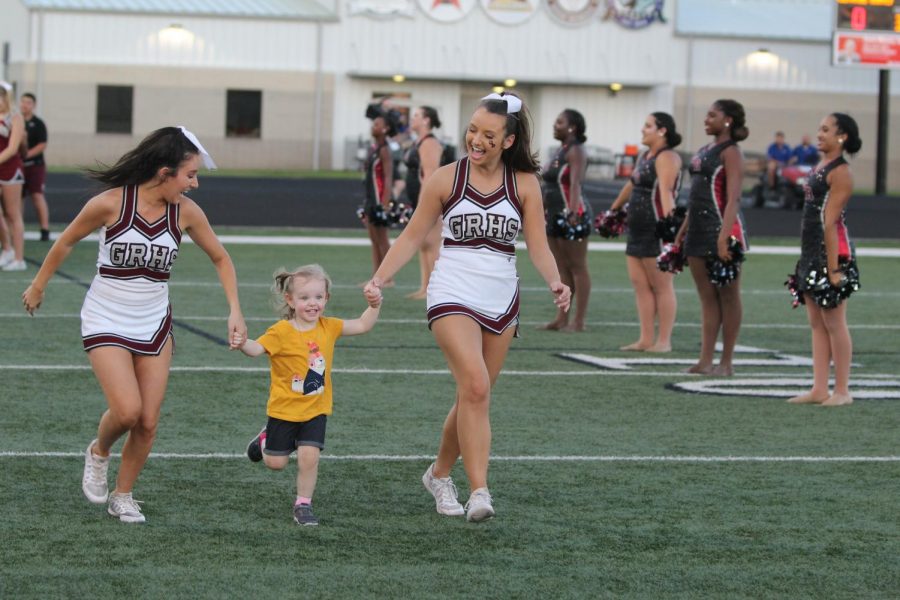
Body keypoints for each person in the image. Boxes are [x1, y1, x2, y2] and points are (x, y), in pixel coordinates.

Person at [362, 92, 571, 522]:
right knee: (475, 386)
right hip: (452, 288)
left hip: (501, 295)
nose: (476, 140)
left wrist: (555, 281)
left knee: (473, 395)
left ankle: (439, 474)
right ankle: (480, 491)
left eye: (488, 135)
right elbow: (412, 235)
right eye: (472, 130)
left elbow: (538, 245)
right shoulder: (446, 178)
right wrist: (380, 277)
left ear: (509, 141)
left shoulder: (525, 185)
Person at [21, 126, 247, 523]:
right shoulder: (110, 204)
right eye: (190, 174)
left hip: (154, 322)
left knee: (147, 421)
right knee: (126, 411)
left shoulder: (187, 213)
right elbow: (66, 241)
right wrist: (38, 286)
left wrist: (235, 310)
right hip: (106, 315)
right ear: (164, 171)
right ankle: (99, 452)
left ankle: (123, 495)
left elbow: (222, 258)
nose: (194, 184)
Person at [238, 264, 381, 526]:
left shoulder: (329, 326)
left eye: (318, 297)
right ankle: (264, 438)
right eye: (304, 298)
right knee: (275, 463)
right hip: (283, 410)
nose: (312, 303)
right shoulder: (281, 331)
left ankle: (303, 505)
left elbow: (362, 324)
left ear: (326, 298)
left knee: (309, 456)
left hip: (316, 409)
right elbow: (257, 349)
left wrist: (374, 305)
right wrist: (242, 343)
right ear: (290, 300)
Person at [787, 113, 861, 407]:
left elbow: (830, 223)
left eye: (826, 130)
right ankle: (819, 388)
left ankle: (842, 390)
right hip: (811, 250)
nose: (819, 134)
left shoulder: (841, 172)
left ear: (842, 137)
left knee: (834, 321)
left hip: (833, 251)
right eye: (819, 128)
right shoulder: (822, 165)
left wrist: (833, 268)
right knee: (816, 322)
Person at [676, 99, 749, 376]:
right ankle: (705, 359)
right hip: (697, 230)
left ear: (728, 120)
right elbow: (696, 195)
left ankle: (726, 362)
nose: (707, 119)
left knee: (728, 296)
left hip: (722, 229)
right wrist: (682, 230)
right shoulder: (705, 149)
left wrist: (724, 236)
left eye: (712, 115)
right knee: (707, 298)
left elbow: (734, 197)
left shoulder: (731, 152)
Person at [608, 112, 683, 352]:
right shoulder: (644, 156)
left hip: (656, 230)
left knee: (661, 286)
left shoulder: (667, 157)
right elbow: (631, 185)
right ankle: (645, 339)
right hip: (637, 229)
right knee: (640, 284)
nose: (643, 130)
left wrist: (670, 227)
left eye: (648, 126)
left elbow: (666, 191)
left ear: (662, 131)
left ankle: (664, 341)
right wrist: (614, 210)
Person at [540, 109, 591, 332]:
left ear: (573, 127)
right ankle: (561, 318)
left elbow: (576, 183)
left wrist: (572, 213)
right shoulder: (559, 151)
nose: (555, 125)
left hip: (571, 214)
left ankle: (578, 321)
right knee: (561, 268)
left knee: (577, 267)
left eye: (559, 122)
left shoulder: (576, 151)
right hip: (553, 215)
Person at [403, 105, 444, 299]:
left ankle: (435, 289)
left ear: (427, 120)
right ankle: (425, 287)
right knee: (423, 243)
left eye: (417, 116)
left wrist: (425, 205)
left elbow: (430, 174)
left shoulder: (429, 143)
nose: (413, 119)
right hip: (416, 199)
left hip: (429, 200)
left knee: (432, 243)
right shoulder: (417, 142)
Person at [361, 108, 396, 284]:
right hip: (370, 199)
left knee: (382, 240)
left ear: (385, 129)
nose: (373, 127)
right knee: (374, 239)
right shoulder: (373, 148)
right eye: (373, 124)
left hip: (380, 200)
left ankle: (388, 278)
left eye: (377, 124)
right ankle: (375, 277)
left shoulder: (384, 150)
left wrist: (385, 203)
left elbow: (389, 176)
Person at [0, 81, 27, 271]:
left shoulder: (15, 117)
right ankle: (7, 249)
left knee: (12, 213)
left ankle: (19, 259)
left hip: (11, 169)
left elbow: (12, 148)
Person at [19, 92, 50, 241]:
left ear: (34, 105)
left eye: (28, 102)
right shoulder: (16, 121)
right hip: (18, 166)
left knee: (37, 195)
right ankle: (17, 228)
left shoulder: (38, 124)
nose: (24, 105)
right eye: (23, 102)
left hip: (35, 166)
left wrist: (26, 154)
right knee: (18, 198)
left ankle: (44, 229)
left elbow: (42, 144)